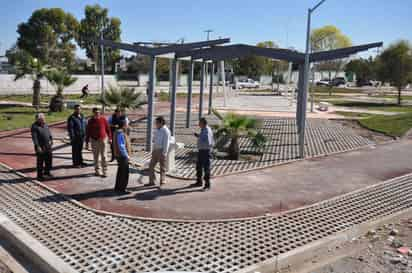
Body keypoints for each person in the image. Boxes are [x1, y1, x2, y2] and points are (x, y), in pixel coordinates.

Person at [86, 108, 112, 177]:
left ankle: (105, 171)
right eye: (95, 113)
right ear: (93, 113)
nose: (97, 114)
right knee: (96, 156)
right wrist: (87, 142)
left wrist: (110, 138)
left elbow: (108, 129)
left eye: (98, 112)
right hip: (94, 140)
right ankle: (97, 171)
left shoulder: (103, 119)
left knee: (104, 156)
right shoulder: (90, 121)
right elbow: (88, 131)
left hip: (102, 139)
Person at [148, 116, 170, 186]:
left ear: (161, 123)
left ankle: (162, 180)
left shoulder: (166, 131)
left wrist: (164, 152)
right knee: (151, 166)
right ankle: (152, 181)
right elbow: (154, 139)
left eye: (157, 123)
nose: (155, 124)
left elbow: (166, 142)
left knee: (162, 167)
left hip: (161, 150)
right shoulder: (157, 130)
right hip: (155, 149)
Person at [193, 118, 214, 190]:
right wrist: (199, 136)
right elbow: (204, 138)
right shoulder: (204, 129)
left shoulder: (207, 130)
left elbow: (208, 142)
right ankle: (199, 181)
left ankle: (207, 185)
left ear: (203, 123)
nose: (198, 124)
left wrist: (200, 138)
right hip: (201, 151)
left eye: (200, 123)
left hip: (205, 151)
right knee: (198, 166)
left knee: (206, 168)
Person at [31, 113, 53, 181]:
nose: (44, 120)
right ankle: (39, 176)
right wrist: (37, 146)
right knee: (40, 162)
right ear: (38, 119)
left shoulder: (45, 124)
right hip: (40, 147)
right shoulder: (34, 126)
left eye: (44, 118)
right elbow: (34, 138)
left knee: (49, 160)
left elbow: (49, 133)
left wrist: (51, 139)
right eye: (42, 119)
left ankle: (47, 172)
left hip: (48, 146)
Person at [112, 119, 132, 193]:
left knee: (120, 172)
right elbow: (121, 146)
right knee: (124, 173)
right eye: (127, 124)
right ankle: (122, 188)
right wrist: (127, 156)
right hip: (122, 156)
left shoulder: (117, 132)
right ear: (124, 125)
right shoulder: (121, 133)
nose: (128, 125)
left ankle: (118, 187)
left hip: (119, 155)